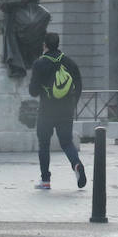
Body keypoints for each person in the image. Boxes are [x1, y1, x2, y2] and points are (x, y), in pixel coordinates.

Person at [28, 32, 86, 190]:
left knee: (44, 144)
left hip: (47, 110)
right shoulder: (69, 62)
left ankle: (45, 180)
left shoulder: (40, 64)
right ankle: (76, 164)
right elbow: (79, 86)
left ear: (45, 45)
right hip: (66, 109)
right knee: (67, 142)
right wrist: (72, 104)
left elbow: (33, 91)